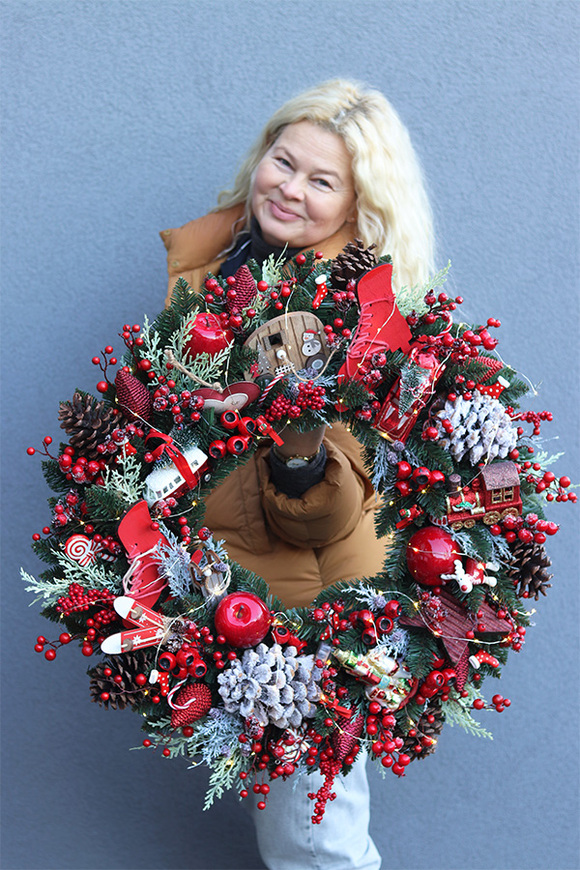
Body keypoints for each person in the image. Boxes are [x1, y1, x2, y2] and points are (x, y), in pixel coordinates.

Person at [160, 79, 434, 870]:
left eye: (323, 181)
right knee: (308, 835)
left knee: (317, 844)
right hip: (240, 590)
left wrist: (301, 456)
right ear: (262, 157)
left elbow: (328, 511)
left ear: (355, 206)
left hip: (312, 606)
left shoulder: (350, 310)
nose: (291, 188)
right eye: (285, 162)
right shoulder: (222, 268)